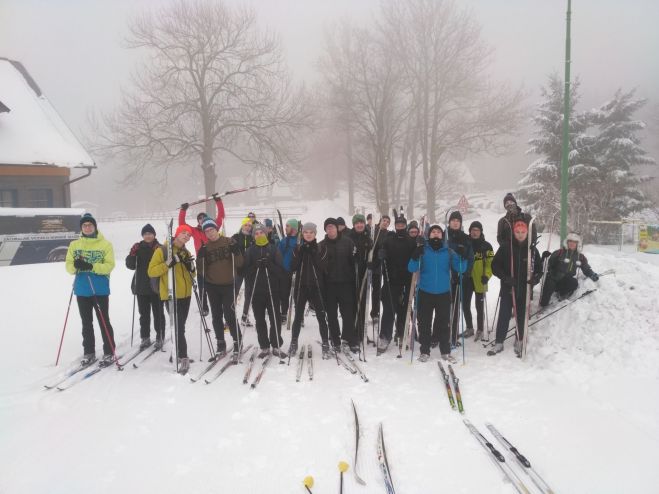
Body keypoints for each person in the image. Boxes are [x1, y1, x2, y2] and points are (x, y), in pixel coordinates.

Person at [65, 213, 117, 367]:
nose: (87, 227)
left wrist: (91, 266)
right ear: (81, 228)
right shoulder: (74, 245)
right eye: (84, 225)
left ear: (95, 226)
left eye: (90, 225)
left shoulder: (105, 245)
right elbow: (68, 266)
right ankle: (89, 352)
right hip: (81, 290)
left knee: (103, 321)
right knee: (86, 322)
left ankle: (109, 351)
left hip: (100, 289)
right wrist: (76, 266)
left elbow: (109, 265)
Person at [408, 224, 466, 362]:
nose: (435, 234)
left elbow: (461, 268)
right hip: (425, 292)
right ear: (429, 235)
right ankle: (425, 351)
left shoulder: (448, 251)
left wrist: (462, 256)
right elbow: (411, 268)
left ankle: (445, 351)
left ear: (442, 235)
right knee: (424, 323)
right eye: (433, 232)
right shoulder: (423, 250)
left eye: (438, 232)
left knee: (443, 323)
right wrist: (415, 255)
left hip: (443, 293)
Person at [490, 219, 542, 357]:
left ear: (527, 233)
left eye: (523, 232)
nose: (520, 234)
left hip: (524, 289)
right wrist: (505, 277)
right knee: (504, 315)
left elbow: (539, 269)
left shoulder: (532, 249)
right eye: (517, 232)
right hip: (508, 288)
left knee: (521, 315)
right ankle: (499, 341)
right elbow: (494, 266)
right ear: (514, 232)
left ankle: (519, 339)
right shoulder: (506, 247)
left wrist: (535, 279)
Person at [148, 224, 196, 373]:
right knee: (178, 327)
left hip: (186, 294)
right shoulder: (162, 250)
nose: (186, 236)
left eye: (189, 235)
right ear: (176, 233)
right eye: (183, 233)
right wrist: (169, 263)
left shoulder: (186, 252)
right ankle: (183, 356)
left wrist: (190, 266)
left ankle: (176, 352)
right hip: (171, 294)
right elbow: (151, 271)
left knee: (179, 326)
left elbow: (193, 274)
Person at [196, 218, 244, 358]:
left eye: (211, 230)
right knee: (216, 316)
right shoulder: (205, 247)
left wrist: (236, 251)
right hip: (212, 287)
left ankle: (237, 342)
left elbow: (240, 263)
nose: (210, 233)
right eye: (206, 231)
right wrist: (200, 257)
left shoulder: (229, 242)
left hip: (228, 285)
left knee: (229, 315)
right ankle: (220, 344)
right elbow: (201, 270)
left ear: (216, 229)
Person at [289, 222, 335, 358]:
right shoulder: (297, 248)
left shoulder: (322, 248)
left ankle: (325, 343)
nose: (308, 234)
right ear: (302, 234)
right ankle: (293, 342)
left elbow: (323, 268)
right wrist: (301, 253)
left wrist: (314, 253)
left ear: (315, 234)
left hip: (317, 287)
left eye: (311, 232)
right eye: (306, 232)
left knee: (321, 317)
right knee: (297, 317)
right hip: (301, 287)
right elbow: (292, 267)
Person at [244, 224, 287, 358]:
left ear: (266, 234)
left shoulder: (274, 249)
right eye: (256, 234)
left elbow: (281, 272)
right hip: (256, 291)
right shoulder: (250, 251)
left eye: (261, 232)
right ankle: (264, 346)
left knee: (275, 318)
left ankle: (276, 345)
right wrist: (255, 266)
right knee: (260, 320)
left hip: (272, 290)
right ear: (254, 236)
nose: (259, 235)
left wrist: (269, 264)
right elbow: (244, 272)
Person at [179, 196, 225, 316]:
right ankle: (204, 306)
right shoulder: (194, 231)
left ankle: (218, 304)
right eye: (199, 218)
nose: (201, 219)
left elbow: (221, 216)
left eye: (203, 217)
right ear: (198, 221)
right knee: (202, 285)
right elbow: (182, 225)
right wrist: (183, 210)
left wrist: (218, 201)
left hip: (215, 259)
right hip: (201, 261)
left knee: (216, 283)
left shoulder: (213, 227)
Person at [377, 215, 416, 353]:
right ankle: (384, 336)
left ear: (405, 225)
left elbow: (415, 257)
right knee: (389, 309)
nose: (400, 226)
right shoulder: (389, 240)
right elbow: (381, 255)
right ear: (395, 225)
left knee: (404, 310)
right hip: (391, 280)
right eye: (398, 224)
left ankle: (401, 334)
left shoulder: (411, 241)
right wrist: (381, 254)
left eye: (402, 224)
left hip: (406, 280)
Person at [320, 217, 358, 352]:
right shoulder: (322, 245)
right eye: (328, 227)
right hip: (329, 285)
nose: (330, 229)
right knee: (331, 314)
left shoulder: (348, 242)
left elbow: (355, 261)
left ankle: (349, 339)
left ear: (337, 228)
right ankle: (335, 340)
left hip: (345, 283)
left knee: (347, 313)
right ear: (325, 229)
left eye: (332, 226)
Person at [125, 224, 166, 350]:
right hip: (141, 285)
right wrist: (132, 254)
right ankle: (145, 337)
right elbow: (131, 265)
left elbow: (165, 265)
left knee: (158, 313)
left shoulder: (160, 248)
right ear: (143, 236)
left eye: (150, 234)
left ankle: (160, 336)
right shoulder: (138, 247)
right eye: (145, 234)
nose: (148, 236)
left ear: (154, 235)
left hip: (156, 285)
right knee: (144, 314)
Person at [540, 232, 599, 307]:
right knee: (549, 285)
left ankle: (561, 294)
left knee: (574, 282)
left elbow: (586, 268)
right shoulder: (559, 252)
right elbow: (548, 264)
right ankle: (543, 304)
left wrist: (592, 274)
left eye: (574, 242)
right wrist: (547, 262)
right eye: (570, 241)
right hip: (553, 278)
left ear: (578, 244)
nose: (572, 243)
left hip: (565, 280)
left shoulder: (580, 257)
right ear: (567, 242)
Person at [446, 211, 475, 343]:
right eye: (453, 220)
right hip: (445, 277)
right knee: (444, 308)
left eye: (458, 220)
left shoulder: (466, 238)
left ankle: (452, 336)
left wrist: (465, 273)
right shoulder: (443, 235)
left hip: (459, 277)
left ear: (461, 223)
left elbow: (470, 258)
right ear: (449, 222)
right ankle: (441, 334)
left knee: (456, 307)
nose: (455, 222)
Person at [347, 214, 373, 351]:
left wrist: (372, 262)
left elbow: (372, 257)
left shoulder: (368, 238)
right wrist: (353, 259)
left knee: (363, 306)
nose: (359, 225)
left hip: (364, 276)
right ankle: (351, 336)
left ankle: (361, 333)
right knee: (352, 307)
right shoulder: (348, 238)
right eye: (357, 223)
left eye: (361, 223)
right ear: (353, 224)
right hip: (351, 277)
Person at [465, 221, 494, 342]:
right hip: (467, 277)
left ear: (481, 231)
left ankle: (480, 329)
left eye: (477, 230)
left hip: (480, 278)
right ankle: (470, 327)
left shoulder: (486, 245)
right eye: (472, 229)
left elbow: (490, 264)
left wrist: (487, 276)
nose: (474, 232)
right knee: (465, 304)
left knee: (479, 305)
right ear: (469, 231)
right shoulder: (466, 243)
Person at [232, 218, 255, 327]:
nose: (247, 227)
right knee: (234, 293)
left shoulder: (253, 238)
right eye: (245, 225)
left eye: (249, 226)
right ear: (242, 226)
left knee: (249, 294)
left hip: (250, 270)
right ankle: (230, 317)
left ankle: (245, 317)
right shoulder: (235, 237)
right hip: (238, 269)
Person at [278, 218, 300, 324]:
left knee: (297, 295)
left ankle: (300, 317)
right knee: (284, 294)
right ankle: (283, 314)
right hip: (285, 272)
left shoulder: (300, 240)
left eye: (288, 226)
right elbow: (278, 256)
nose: (285, 228)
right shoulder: (283, 241)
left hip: (297, 272)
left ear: (294, 228)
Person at [370, 215, 391, 323]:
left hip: (383, 265)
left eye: (388, 221)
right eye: (384, 220)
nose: (386, 223)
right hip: (373, 265)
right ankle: (373, 312)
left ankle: (375, 312)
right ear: (380, 221)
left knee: (378, 291)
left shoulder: (388, 234)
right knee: (373, 290)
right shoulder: (374, 231)